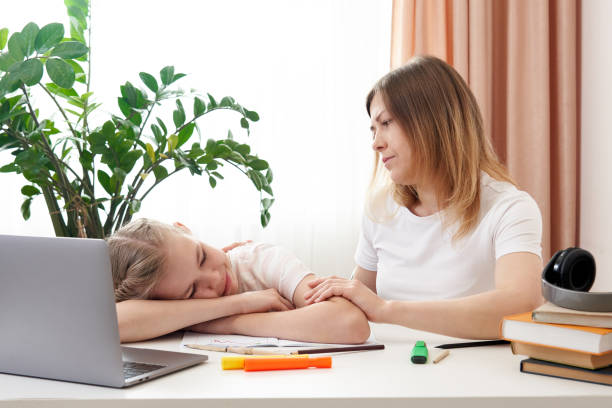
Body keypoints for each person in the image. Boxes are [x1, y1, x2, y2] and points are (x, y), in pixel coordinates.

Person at [304, 55, 543, 340]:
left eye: (386, 123)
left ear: (430, 122)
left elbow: (521, 305)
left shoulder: (509, 209)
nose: (376, 143)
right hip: (388, 369)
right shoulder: (380, 209)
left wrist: (388, 311)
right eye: (373, 129)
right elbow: (357, 302)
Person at [108, 218, 370, 343]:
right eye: (192, 291)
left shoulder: (258, 261)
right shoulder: (159, 310)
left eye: (201, 256)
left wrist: (226, 323)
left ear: (184, 229)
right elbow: (112, 323)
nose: (213, 277)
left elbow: (351, 323)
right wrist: (238, 303)